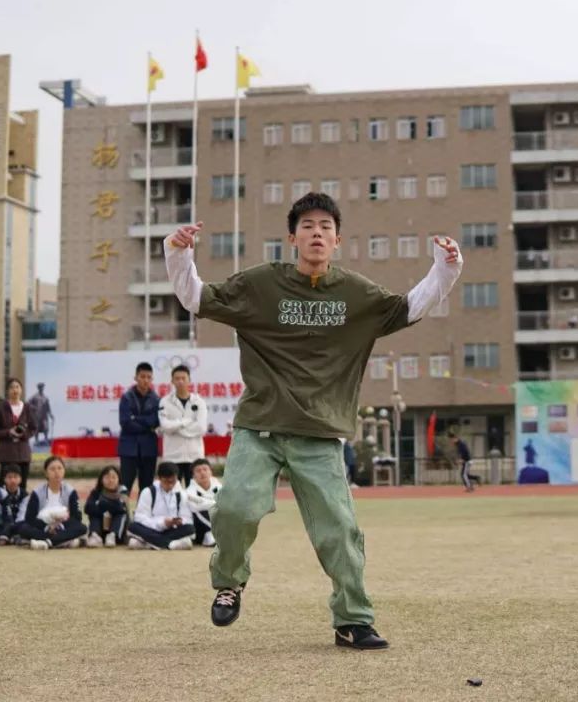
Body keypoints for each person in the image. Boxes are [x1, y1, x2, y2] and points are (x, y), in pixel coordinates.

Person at [164, 191, 463, 650]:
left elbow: (409, 308)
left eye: (325, 226)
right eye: (307, 226)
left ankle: (353, 620)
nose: (316, 233)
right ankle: (230, 581)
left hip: (320, 434)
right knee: (234, 509)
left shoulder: (355, 293)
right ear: (292, 237)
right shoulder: (261, 285)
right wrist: (179, 253)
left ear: (337, 239)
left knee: (339, 530)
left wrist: (446, 268)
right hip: (260, 425)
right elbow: (197, 298)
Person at [16, 456, 87, 550]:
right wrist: (47, 527)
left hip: (63, 527)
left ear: (64, 471)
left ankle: (47, 542)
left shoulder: (70, 491)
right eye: (52, 469)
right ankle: (62, 541)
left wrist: (60, 526)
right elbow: (30, 518)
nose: (57, 472)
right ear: (46, 473)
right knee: (24, 528)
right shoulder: (37, 492)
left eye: (59, 468)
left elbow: (77, 517)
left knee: (82, 528)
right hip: (42, 527)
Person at [158, 364, 208, 488]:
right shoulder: (165, 401)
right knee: (174, 494)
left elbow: (201, 428)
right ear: (172, 381)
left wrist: (176, 427)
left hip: (194, 456)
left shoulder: (199, 402)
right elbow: (165, 426)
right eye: (177, 378)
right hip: (173, 456)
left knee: (195, 493)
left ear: (189, 380)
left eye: (183, 378)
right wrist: (186, 422)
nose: (180, 381)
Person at [128, 462, 195, 550]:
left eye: (173, 481)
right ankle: (170, 544)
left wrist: (179, 521)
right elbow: (140, 518)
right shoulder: (148, 492)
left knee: (190, 528)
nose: (170, 485)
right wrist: (162, 523)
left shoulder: (181, 494)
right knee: (133, 526)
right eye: (166, 482)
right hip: (152, 528)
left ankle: (151, 544)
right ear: (159, 478)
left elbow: (188, 518)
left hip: (172, 530)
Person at [118, 362, 161, 498]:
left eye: (149, 377)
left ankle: (143, 517)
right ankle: (123, 516)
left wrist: (136, 418)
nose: (146, 380)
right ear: (136, 377)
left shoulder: (156, 400)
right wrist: (147, 425)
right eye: (142, 376)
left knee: (147, 488)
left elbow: (156, 421)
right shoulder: (126, 397)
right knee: (125, 485)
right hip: (129, 449)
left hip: (149, 449)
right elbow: (125, 423)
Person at [0, 378, 36, 492]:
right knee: (4, 488)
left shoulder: (27, 407)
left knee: (22, 487)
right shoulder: (2, 408)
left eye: (17, 387)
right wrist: (8, 432)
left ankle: (21, 508)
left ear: (21, 390)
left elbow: (33, 428)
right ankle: (3, 509)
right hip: (7, 454)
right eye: (12, 387)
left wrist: (24, 434)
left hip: (23, 455)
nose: (15, 390)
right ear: (7, 390)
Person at [84, 466, 129, 548]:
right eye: (107, 477)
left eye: (113, 477)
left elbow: (121, 508)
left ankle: (113, 535)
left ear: (118, 479)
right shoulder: (96, 492)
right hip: (101, 526)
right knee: (94, 514)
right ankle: (95, 536)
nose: (110, 480)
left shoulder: (122, 490)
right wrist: (106, 508)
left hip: (118, 531)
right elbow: (87, 508)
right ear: (101, 480)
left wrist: (101, 505)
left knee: (121, 514)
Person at [186, 458, 220, 547]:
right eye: (198, 471)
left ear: (210, 472)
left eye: (205, 469)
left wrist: (203, 502)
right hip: (200, 529)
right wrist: (216, 504)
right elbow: (194, 507)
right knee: (200, 511)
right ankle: (211, 536)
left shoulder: (219, 487)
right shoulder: (189, 491)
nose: (202, 473)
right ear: (193, 476)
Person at [0, 464, 26, 541]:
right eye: (9, 477)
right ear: (4, 479)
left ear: (20, 479)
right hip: (2, 523)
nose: (13, 480)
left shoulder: (25, 495)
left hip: (18, 523)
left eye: (15, 477)